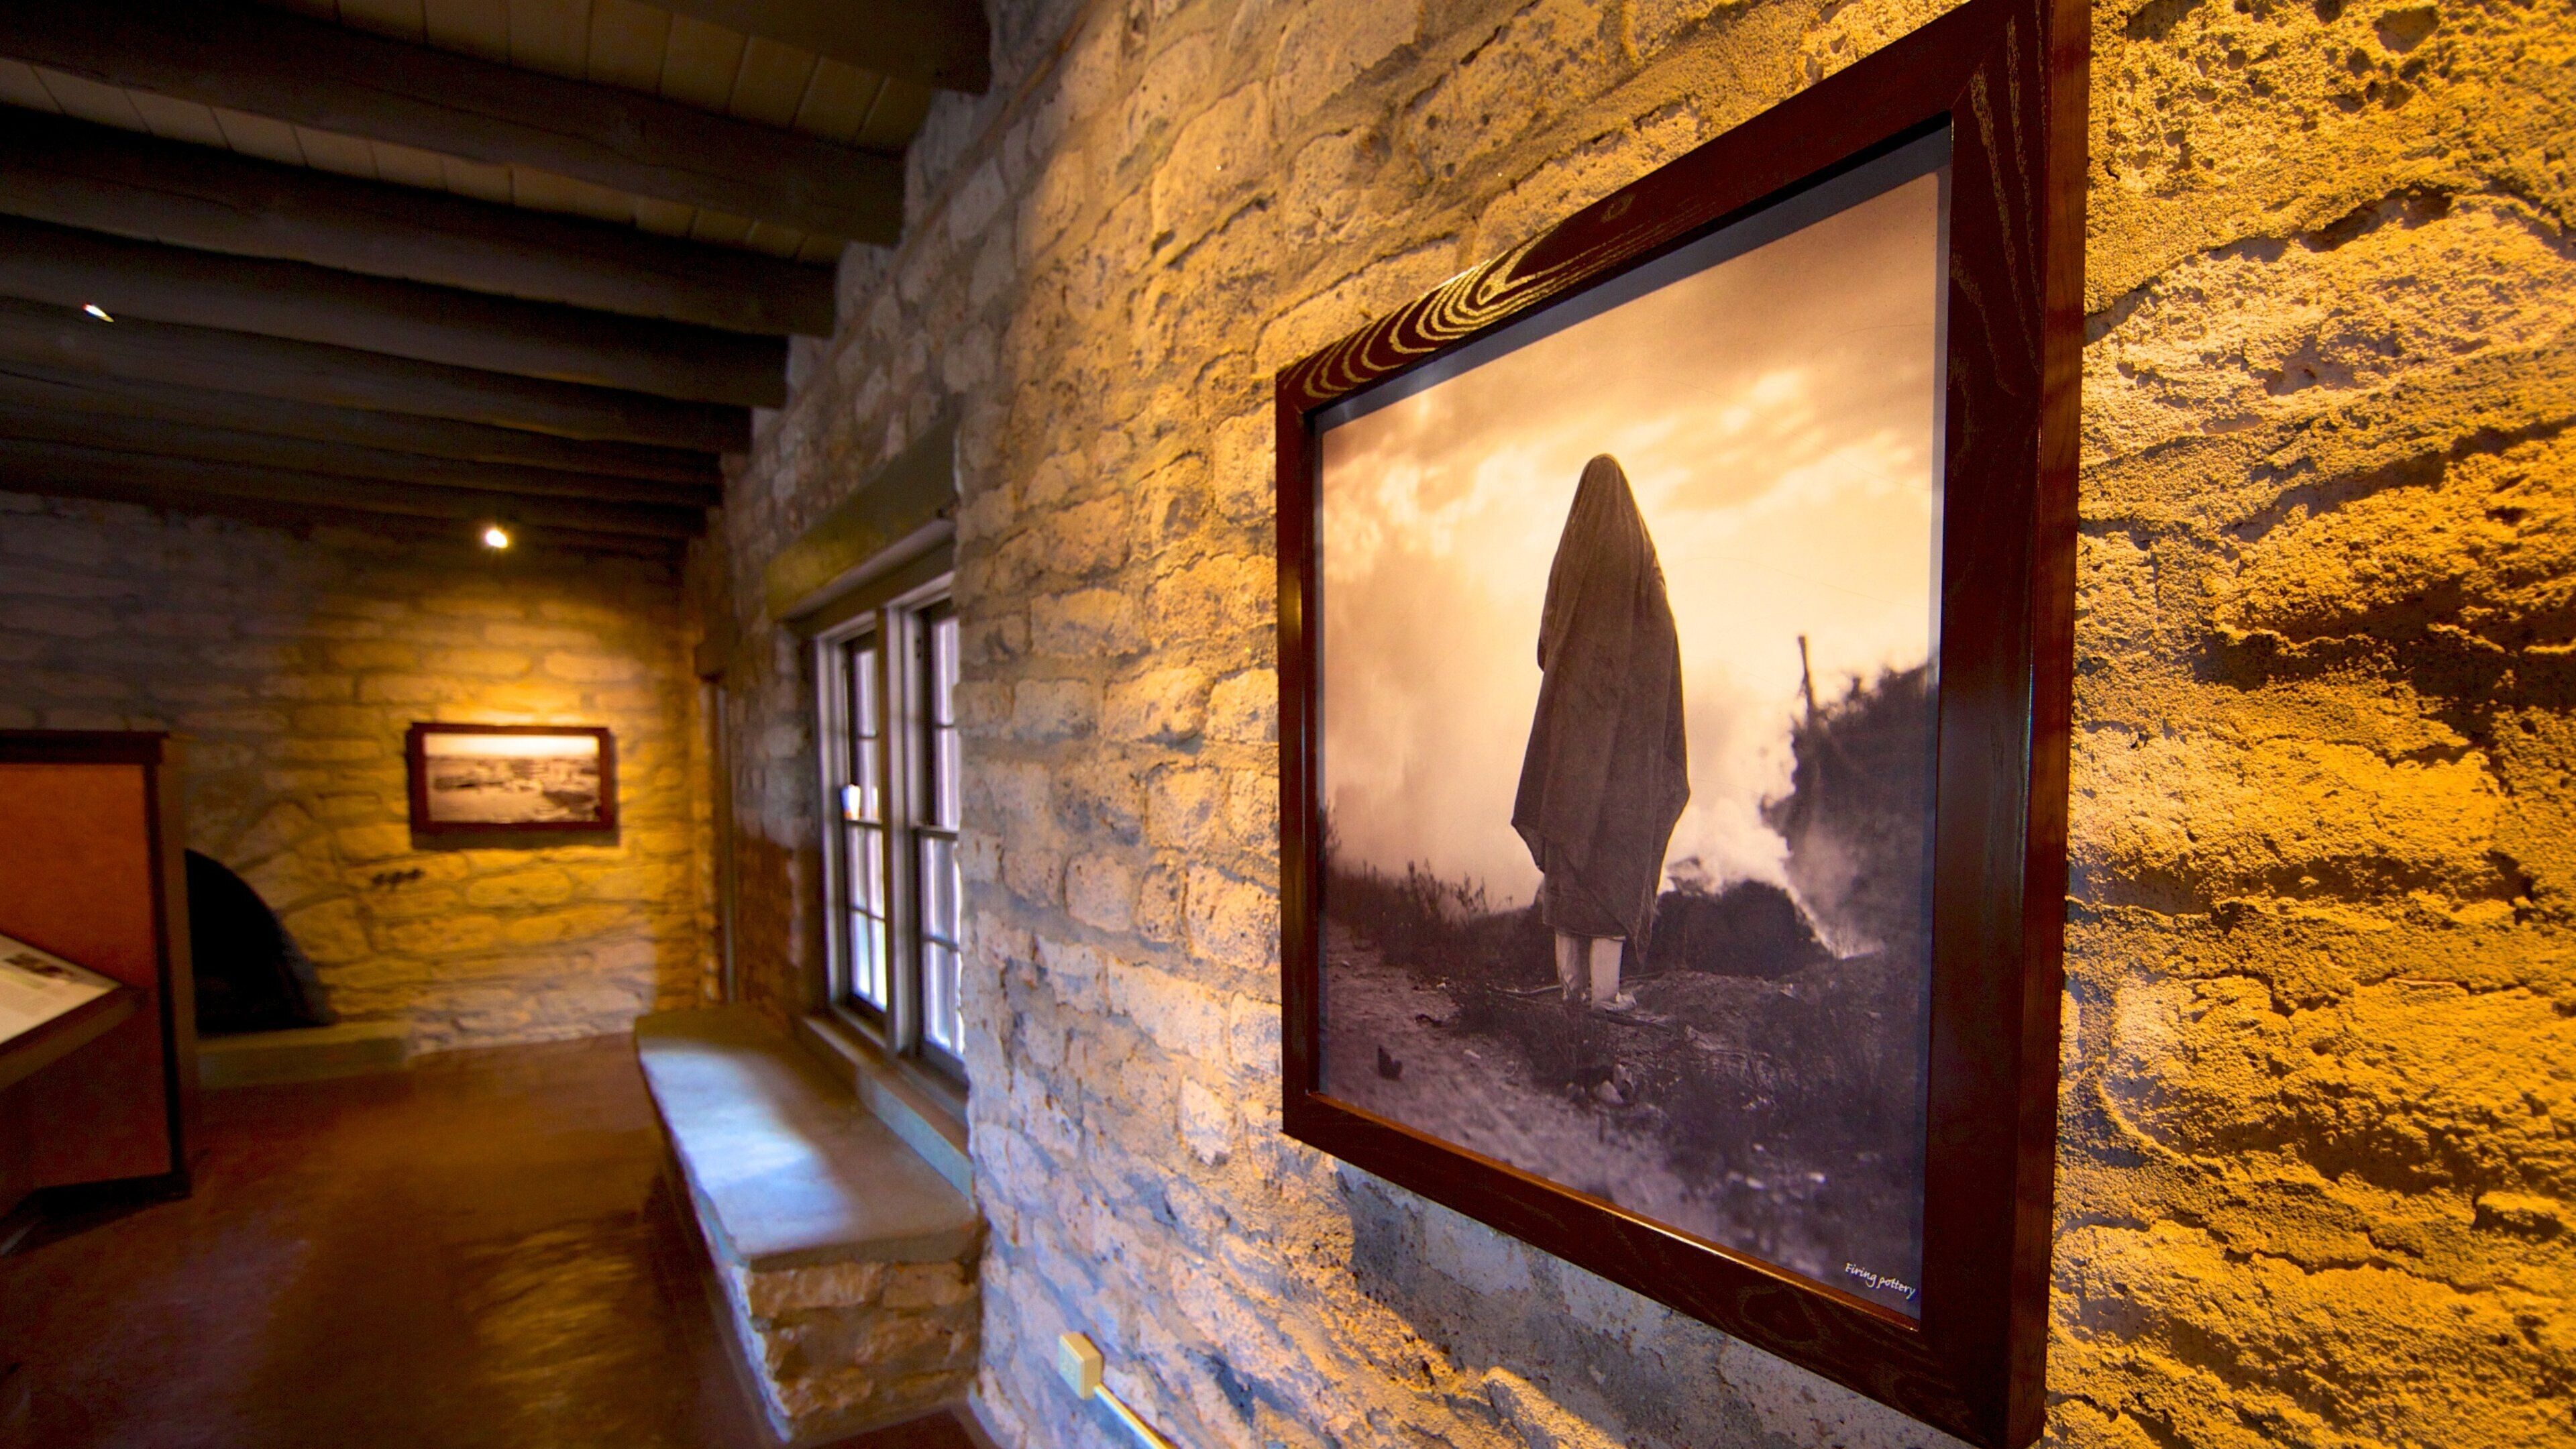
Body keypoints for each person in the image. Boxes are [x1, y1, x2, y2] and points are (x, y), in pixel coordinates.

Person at [1511, 454, 1689, 1012]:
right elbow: (1663, 644)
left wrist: (1579, 685)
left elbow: (1545, 646)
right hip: (1628, 749)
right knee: (1615, 851)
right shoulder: (1640, 559)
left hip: (1572, 741)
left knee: (1569, 845)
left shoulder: (1569, 559)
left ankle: (1572, 992)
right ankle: (1606, 996)